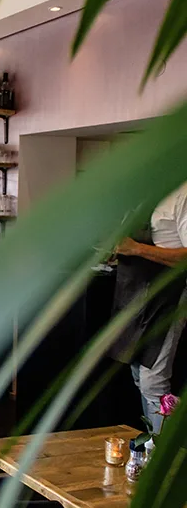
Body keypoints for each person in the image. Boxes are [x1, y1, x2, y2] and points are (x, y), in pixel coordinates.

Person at [110, 181, 187, 432]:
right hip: (136, 292)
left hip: (169, 295)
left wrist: (137, 249)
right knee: (137, 372)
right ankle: (154, 446)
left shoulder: (183, 194)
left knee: (153, 381)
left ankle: (164, 461)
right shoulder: (145, 193)